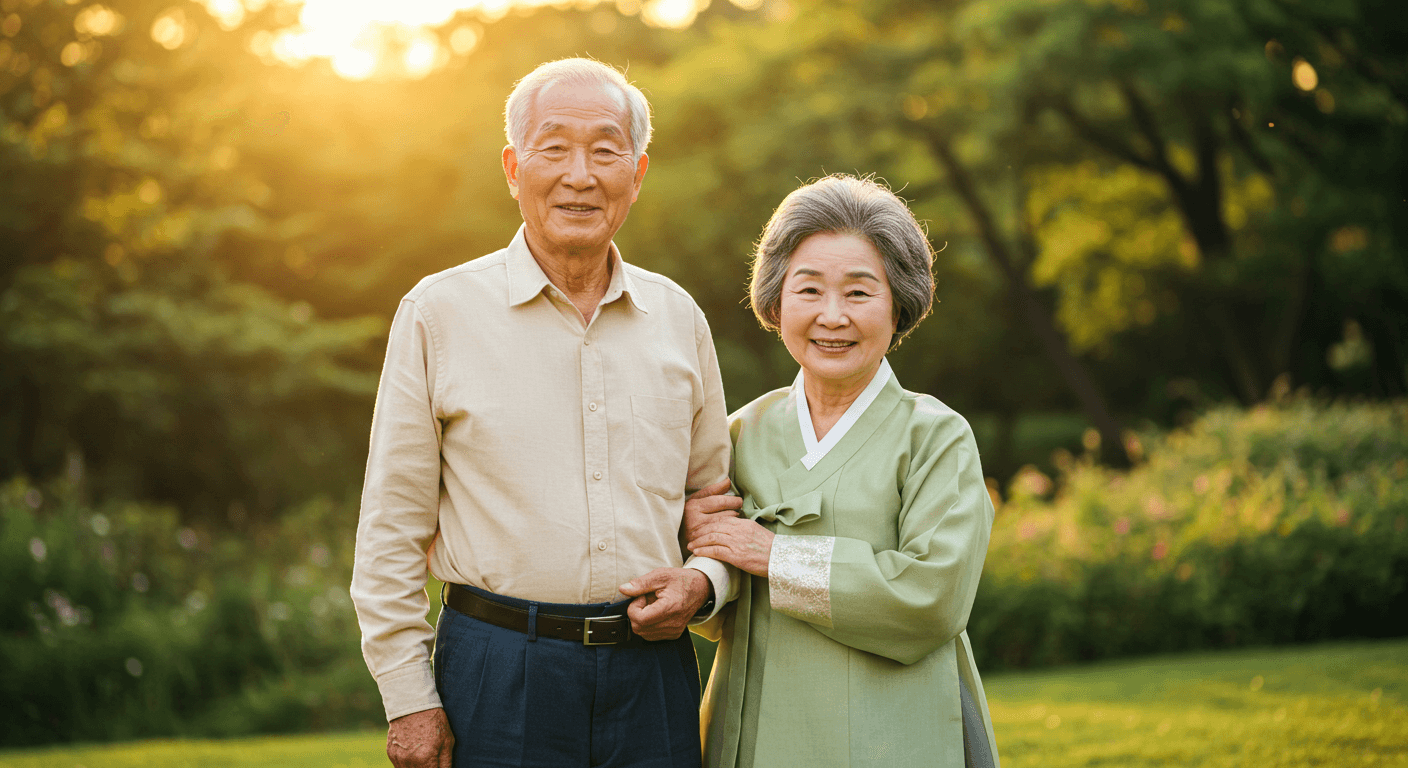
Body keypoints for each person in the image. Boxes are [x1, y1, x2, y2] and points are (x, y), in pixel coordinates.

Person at [350, 58, 736, 768]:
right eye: (553, 148)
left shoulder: (678, 317)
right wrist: (408, 696)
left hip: (652, 674)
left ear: (637, 174)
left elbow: (713, 504)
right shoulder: (438, 313)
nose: (579, 176)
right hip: (497, 672)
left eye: (605, 151)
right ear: (512, 168)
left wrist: (704, 581)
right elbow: (392, 524)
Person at [685, 175, 1001, 768]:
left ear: (899, 303)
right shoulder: (741, 432)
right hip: (756, 728)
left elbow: (932, 599)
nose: (832, 317)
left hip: (892, 734)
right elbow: (718, 579)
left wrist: (775, 556)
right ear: (776, 302)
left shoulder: (937, 437)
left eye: (858, 293)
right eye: (809, 290)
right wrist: (698, 572)